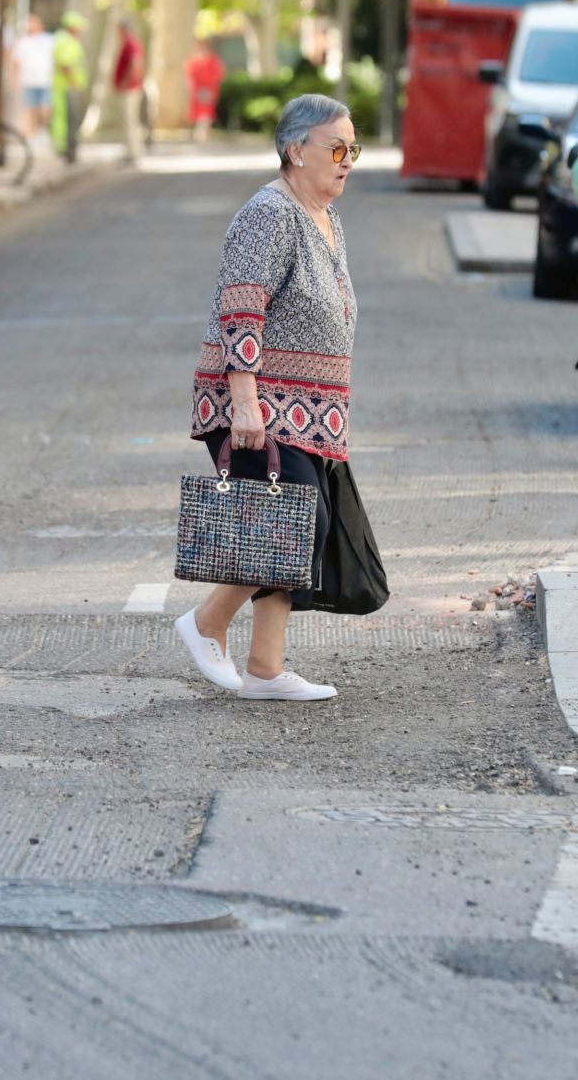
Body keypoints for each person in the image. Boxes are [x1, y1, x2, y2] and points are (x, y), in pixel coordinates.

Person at [174, 94, 381, 702]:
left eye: (353, 150)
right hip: (261, 402)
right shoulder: (268, 213)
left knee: (289, 524)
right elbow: (241, 307)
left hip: (310, 409)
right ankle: (207, 621)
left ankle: (265, 668)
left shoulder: (324, 216)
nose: (347, 161)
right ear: (296, 150)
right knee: (296, 522)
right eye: (336, 148)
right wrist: (244, 400)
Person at [50, 12, 89, 164]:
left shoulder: (66, 40)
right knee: (68, 120)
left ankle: (68, 149)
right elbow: (65, 64)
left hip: (67, 86)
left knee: (69, 120)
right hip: (66, 87)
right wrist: (73, 81)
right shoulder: (65, 41)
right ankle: (67, 150)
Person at [12, 13, 55, 139]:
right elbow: (16, 62)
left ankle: (44, 131)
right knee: (30, 109)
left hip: (45, 80)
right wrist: (15, 81)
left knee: (45, 109)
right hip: (28, 81)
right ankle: (31, 135)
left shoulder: (49, 40)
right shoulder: (22, 42)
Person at [113, 17, 146, 165]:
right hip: (131, 87)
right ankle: (132, 149)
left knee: (129, 120)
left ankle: (133, 152)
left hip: (130, 89)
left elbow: (135, 63)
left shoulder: (130, 44)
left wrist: (127, 82)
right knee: (130, 120)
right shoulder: (129, 43)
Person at [185, 39, 225, 141]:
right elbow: (190, 76)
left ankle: (203, 133)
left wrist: (213, 89)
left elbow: (219, 74)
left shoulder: (212, 61)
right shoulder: (193, 62)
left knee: (206, 112)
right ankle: (199, 132)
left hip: (209, 89)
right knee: (199, 112)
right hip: (198, 89)